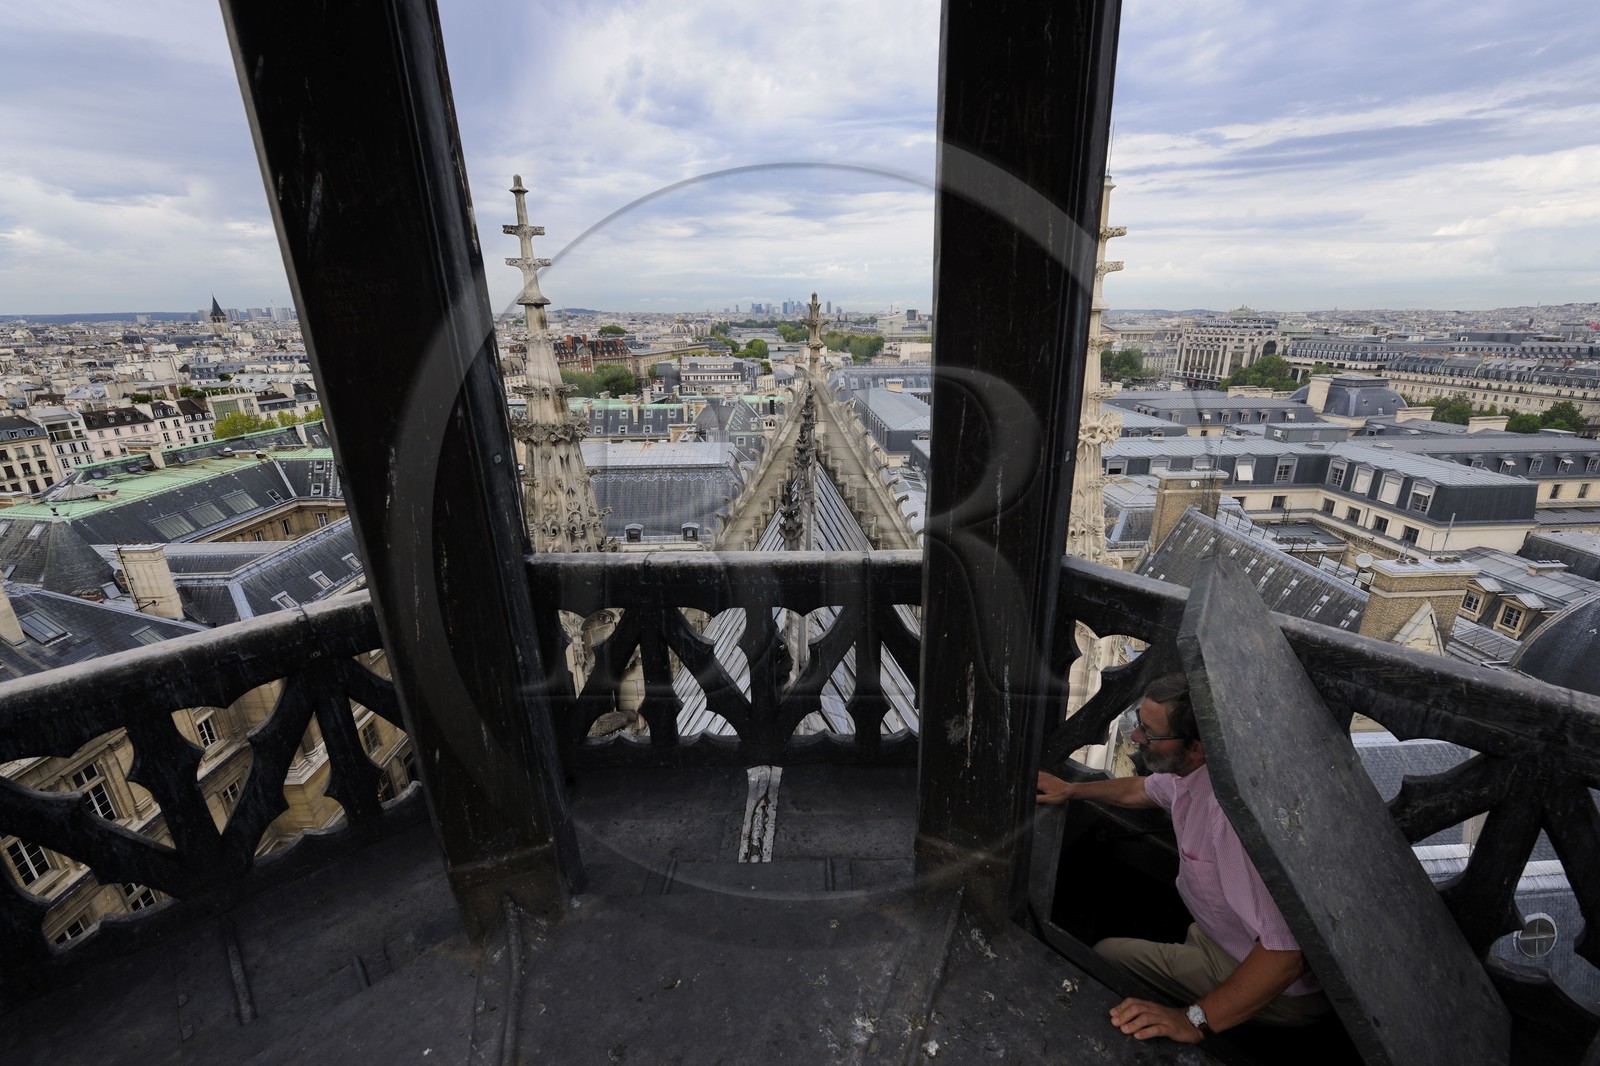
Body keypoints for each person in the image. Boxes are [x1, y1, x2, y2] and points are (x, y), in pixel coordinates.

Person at [1036, 674, 1331, 1044]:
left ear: (1196, 748)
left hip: (1272, 982)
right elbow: (1142, 789)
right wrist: (1074, 789)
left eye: (1149, 733)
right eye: (1138, 724)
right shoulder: (1194, 771)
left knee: (1104, 956)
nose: (1136, 738)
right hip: (1219, 936)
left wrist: (1191, 1021)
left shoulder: (1229, 821)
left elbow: (1286, 956)